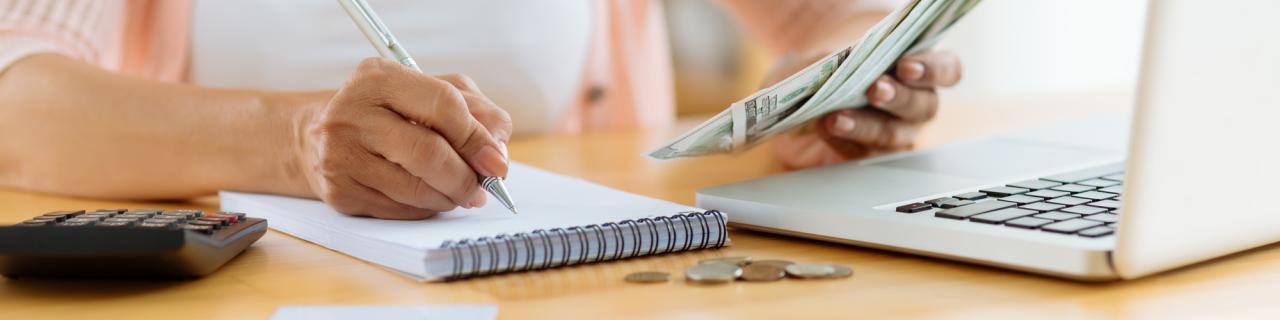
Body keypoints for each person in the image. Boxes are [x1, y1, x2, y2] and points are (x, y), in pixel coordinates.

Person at [0, 0, 960, 219]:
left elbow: (829, 14)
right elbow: (15, 95)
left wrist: (848, 79)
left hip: (564, 276)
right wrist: (295, 141)